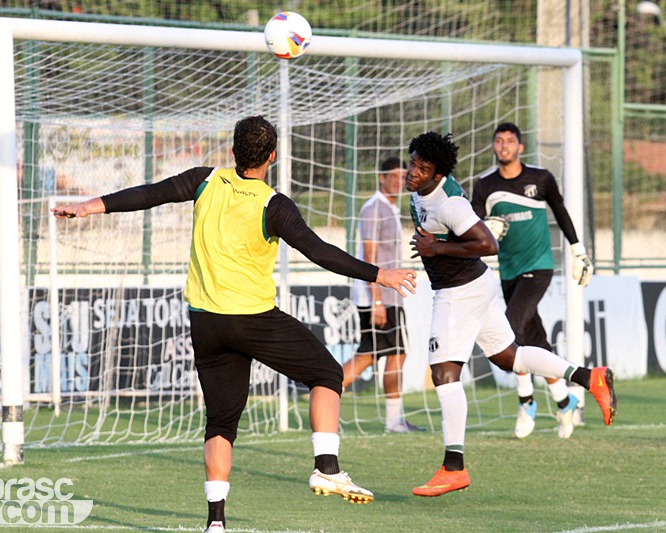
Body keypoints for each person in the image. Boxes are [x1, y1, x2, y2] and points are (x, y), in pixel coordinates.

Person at [52, 116, 417, 533]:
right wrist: (379, 275)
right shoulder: (272, 203)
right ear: (272, 156)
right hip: (252, 318)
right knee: (326, 373)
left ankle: (216, 523)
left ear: (232, 151)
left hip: (206, 324)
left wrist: (89, 206)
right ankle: (326, 467)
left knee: (221, 423)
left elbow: (148, 194)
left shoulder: (203, 180)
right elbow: (319, 251)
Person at [405, 131, 615, 498]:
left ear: (438, 175)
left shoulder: (449, 205)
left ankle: (454, 467)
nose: (413, 172)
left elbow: (486, 243)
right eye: (413, 163)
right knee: (509, 357)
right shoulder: (427, 190)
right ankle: (588, 377)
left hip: (459, 292)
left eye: (423, 169)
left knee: (443, 373)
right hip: (478, 287)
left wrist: (436, 248)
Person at [471, 122, 593, 440]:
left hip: (539, 267)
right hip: (508, 271)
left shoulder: (540, 178)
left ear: (520, 147)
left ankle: (526, 402)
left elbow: (561, 211)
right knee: (533, 342)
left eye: (510, 141)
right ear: (494, 147)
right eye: (498, 141)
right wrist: (487, 228)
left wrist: (578, 251)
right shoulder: (484, 185)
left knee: (511, 329)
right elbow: (472, 225)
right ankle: (566, 402)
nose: (504, 146)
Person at [342, 156, 424, 433]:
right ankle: (392, 422)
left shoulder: (388, 208)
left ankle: (393, 421)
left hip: (388, 297)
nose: (400, 181)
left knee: (377, 355)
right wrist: (376, 300)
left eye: (404, 176)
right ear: (382, 177)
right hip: (378, 297)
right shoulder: (374, 208)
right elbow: (368, 255)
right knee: (389, 354)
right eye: (395, 176)